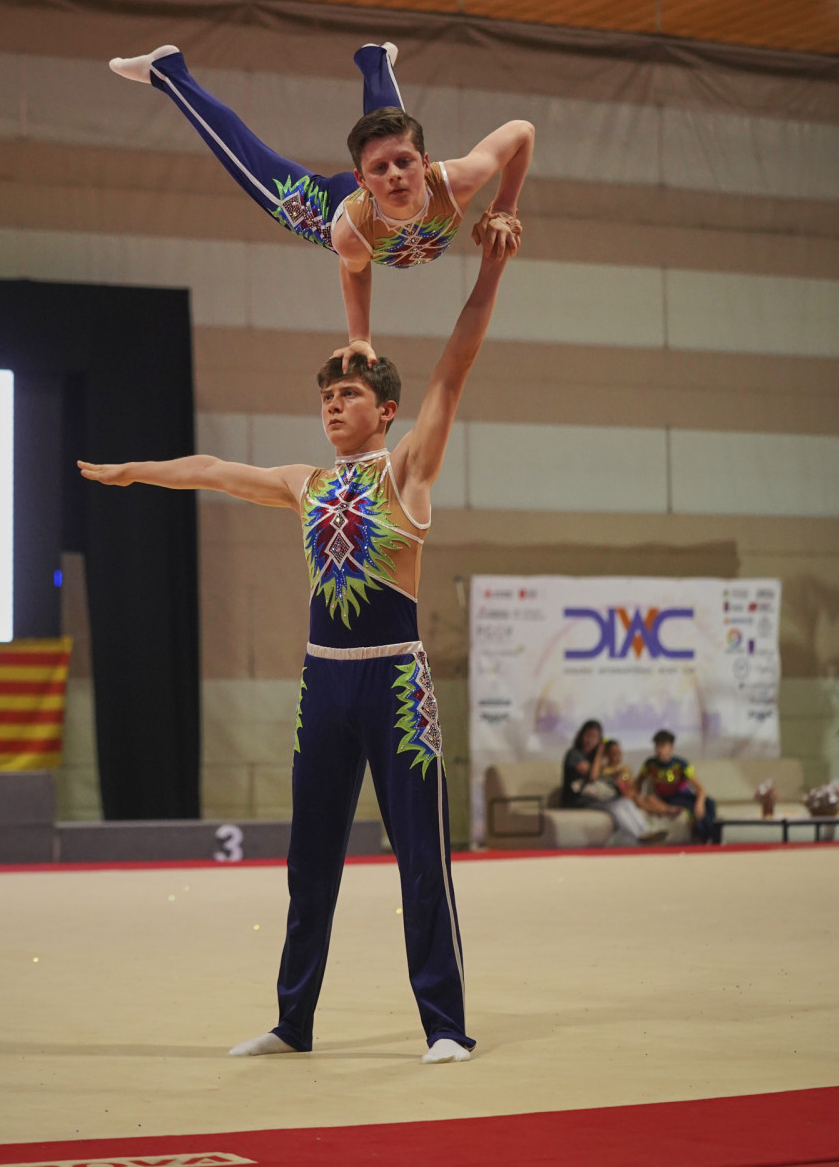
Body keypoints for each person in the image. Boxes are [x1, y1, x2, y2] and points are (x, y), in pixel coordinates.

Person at [78, 224, 516, 1064]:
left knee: (420, 859)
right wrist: (137, 471)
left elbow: (455, 365)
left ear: (384, 410)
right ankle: (293, 1021)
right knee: (308, 861)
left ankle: (446, 1025)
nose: (331, 408)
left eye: (346, 396)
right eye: (324, 399)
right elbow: (211, 470)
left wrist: (490, 270)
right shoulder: (303, 483)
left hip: (394, 685)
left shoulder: (408, 469)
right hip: (324, 688)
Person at [108, 42, 533, 364]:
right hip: (321, 212)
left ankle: (375, 60)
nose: (396, 175)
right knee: (246, 157)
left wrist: (503, 210)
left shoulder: (455, 180)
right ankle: (167, 72)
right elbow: (357, 273)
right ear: (361, 181)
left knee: (388, 131)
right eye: (379, 171)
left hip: (395, 219)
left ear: (426, 162)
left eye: (406, 163)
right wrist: (360, 339)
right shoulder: (349, 230)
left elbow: (522, 131)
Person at [561, 721, 665, 845]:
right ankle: (638, 836)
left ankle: (647, 831)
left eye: (595, 737)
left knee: (624, 802)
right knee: (613, 806)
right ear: (581, 735)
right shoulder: (574, 754)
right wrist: (600, 753)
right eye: (588, 735)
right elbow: (593, 777)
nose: (590, 740)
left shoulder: (594, 758)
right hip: (576, 799)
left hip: (593, 797)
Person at [636, 730, 718, 844]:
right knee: (651, 799)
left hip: (682, 795)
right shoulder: (650, 764)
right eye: (657, 746)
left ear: (671, 747)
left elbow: (700, 789)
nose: (659, 750)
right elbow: (638, 783)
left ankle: (710, 837)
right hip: (665, 798)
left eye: (663, 746)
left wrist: (699, 803)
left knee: (709, 803)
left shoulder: (681, 764)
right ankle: (704, 838)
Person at [600, 738, 669, 823]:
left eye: (619, 752)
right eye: (614, 753)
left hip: (630, 793)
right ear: (607, 754)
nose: (618, 755)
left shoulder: (625, 768)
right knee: (637, 798)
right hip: (618, 797)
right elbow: (612, 785)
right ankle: (659, 811)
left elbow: (629, 782)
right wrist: (619, 777)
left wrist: (625, 777)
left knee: (650, 797)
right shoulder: (604, 770)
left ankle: (667, 810)